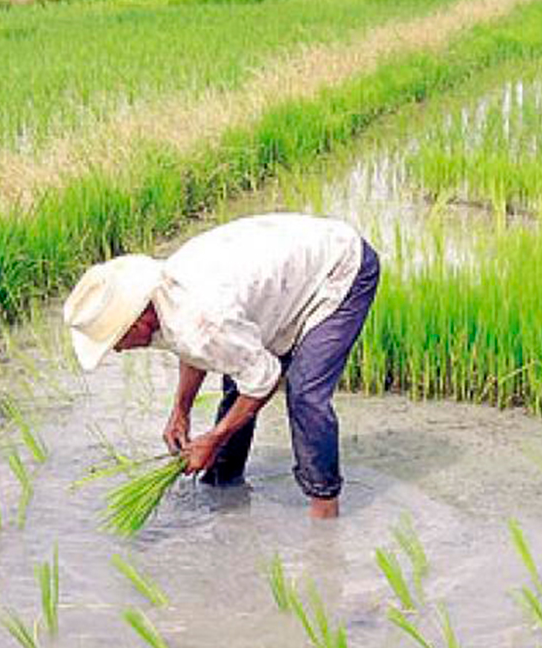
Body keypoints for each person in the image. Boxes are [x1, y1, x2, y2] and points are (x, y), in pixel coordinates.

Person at [62, 213, 380, 519]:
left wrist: (214, 437)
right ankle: (223, 484)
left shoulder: (200, 319)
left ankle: (324, 512)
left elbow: (264, 376)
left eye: (116, 339)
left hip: (339, 269)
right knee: (238, 373)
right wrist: (181, 410)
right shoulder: (164, 301)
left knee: (305, 394)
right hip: (284, 279)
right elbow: (198, 351)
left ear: (136, 320)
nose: (117, 350)